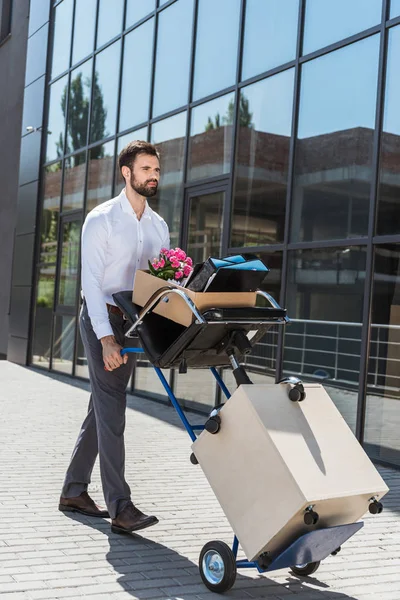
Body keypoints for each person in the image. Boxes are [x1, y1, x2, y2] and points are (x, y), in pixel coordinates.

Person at [59, 140, 169, 535]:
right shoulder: (101, 219)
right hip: (102, 320)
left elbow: (161, 284)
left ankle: (73, 490)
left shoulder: (158, 226)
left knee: (102, 406)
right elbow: (90, 282)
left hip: (134, 323)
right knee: (112, 406)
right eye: (145, 169)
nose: (153, 175)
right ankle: (120, 506)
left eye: (156, 170)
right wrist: (106, 339)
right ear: (127, 173)